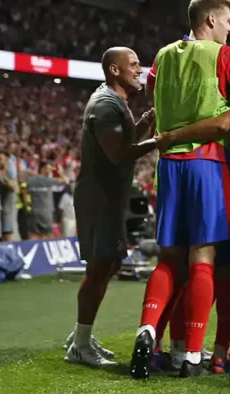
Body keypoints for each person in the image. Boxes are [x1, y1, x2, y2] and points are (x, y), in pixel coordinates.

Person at [131, 0, 230, 379]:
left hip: (168, 166)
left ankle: (147, 329)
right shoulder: (225, 56)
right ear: (210, 20)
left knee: (169, 258)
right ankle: (192, 355)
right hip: (208, 162)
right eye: (227, 22)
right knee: (203, 257)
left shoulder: (162, 56)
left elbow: (152, 95)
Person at [64, 47, 160, 368]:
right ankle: (80, 345)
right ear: (114, 70)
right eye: (133, 64)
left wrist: (145, 123)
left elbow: (125, 143)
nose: (139, 69)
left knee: (110, 265)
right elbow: (119, 154)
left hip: (109, 197)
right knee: (99, 268)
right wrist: (159, 141)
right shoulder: (106, 104)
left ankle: (81, 336)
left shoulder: (115, 101)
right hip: (99, 199)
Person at [26, 162, 67, 240]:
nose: (50, 171)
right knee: (47, 235)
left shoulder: (30, 181)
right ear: (42, 169)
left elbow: (26, 193)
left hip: (33, 212)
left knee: (34, 235)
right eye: (49, 169)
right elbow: (65, 180)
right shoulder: (48, 181)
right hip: (46, 213)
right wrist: (59, 171)